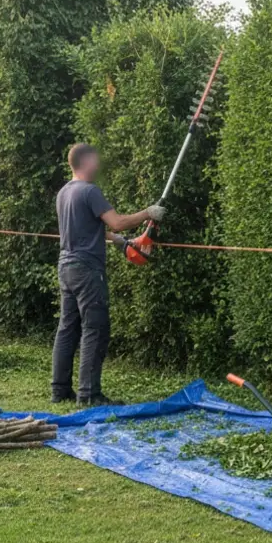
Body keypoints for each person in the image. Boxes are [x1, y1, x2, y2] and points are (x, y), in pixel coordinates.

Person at [51, 143, 166, 406]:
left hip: (66, 266)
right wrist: (148, 213)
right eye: (96, 159)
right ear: (86, 161)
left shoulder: (64, 192)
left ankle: (60, 390)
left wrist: (121, 242)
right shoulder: (90, 191)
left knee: (67, 328)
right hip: (87, 269)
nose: (99, 164)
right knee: (95, 328)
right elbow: (117, 221)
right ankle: (89, 394)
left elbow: (94, 229)